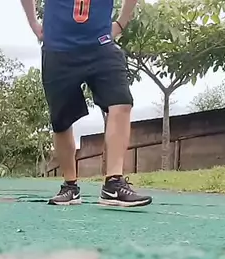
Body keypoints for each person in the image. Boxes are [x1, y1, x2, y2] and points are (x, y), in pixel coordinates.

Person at [20, 0, 152, 207]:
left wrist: (121, 22)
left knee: (122, 102)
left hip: (101, 45)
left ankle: (113, 184)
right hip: (58, 48)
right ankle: (70, 186)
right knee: (61, 120)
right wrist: (33, 23)